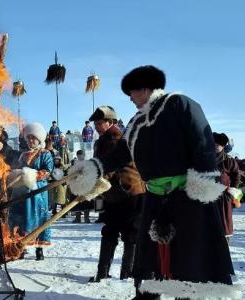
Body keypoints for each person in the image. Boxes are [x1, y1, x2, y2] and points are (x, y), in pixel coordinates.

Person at [121, 65, 237, 299]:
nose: (130, 98)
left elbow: (202, 141)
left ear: (145, 88)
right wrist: (93, 168)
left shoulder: (179, 104)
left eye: (132, 92)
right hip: (154, 197)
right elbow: (121, 153)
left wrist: (201, 186)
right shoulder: (136, 122)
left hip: (186, 196)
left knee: (187, 258)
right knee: (151, 257)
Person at [88, 105, 145, 283]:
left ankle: (127, 274)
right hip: (113, 194)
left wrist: (96, 179)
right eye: (95, 123)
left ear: (111, 122)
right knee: (110, 232)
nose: (97, 126)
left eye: (100, 122)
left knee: (131, 235)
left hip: (130, 192)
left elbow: (113, 163)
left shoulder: (116, 137)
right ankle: (103, 273)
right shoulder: (102, 140)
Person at [0, 122, 54, 260]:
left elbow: (48, 171)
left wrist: (32, 175)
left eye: (33, 138)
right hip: (21, 191)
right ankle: (20, 247)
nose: (30, 140)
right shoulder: (22, 154)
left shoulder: (45, 154)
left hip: (37, 192)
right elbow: (16, 166)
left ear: (39, 139)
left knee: (37, 218)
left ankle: (39, 248)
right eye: (28, 137)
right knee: (19, 217)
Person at [213, 132, 241, 242]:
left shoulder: (228, 160)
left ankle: (225, 245)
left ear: (223, 146)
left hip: (223, 197)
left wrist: (233, 189)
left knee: (224, 223)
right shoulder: (206, 158)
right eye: (213, 144)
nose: (214, 146)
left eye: (217, 145)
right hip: (208, 196)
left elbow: (236, 174)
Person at [70, 150, 92, 223]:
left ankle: (86, 218)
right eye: (79, 155)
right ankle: (78, 218)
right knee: (76, 202)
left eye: (81, 155)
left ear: (84, 155)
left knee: (86, 202)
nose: (80, 156)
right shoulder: (75, 163)